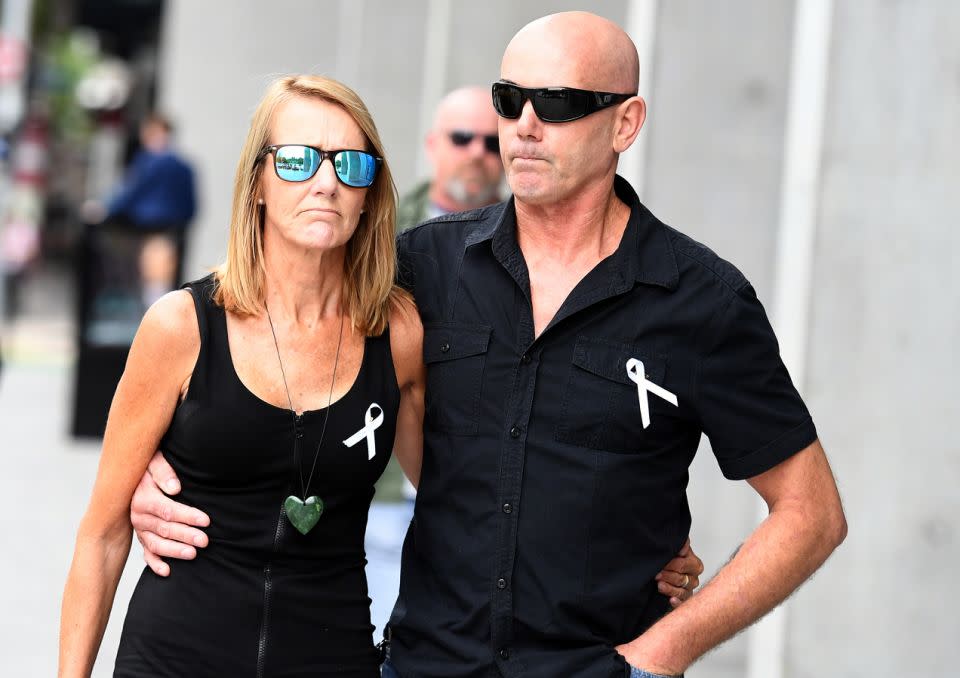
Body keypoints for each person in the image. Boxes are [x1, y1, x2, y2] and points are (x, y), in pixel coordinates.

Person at [59, 75, 427, 677]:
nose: (326, 183)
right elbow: (101, 535)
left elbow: (452, 507)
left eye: (351, 165)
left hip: (330, 660)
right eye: (299, 160)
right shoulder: (181, 327)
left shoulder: (400, 333)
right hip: (172, 660)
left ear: (371, 194)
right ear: (257, 182)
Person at [396, 86, 503, 232]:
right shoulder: (383, 230)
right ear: (432, 145)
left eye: (493, 143)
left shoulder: (529, 236)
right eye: (462, 138)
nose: (478, 152)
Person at [104, 113, 197, 229]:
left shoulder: (148, 161)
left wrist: (105, 209)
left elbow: (130, 192)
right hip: (173, 227)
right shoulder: (185, 166)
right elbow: (191, 208)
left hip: (144, 227)